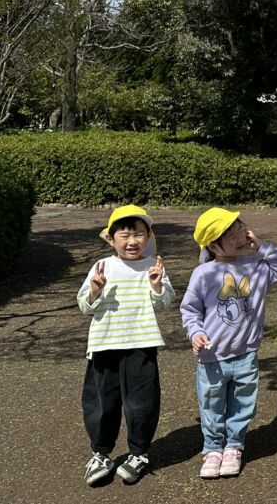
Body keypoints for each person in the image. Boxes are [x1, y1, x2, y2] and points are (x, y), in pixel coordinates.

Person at [180, 208, 277, 480]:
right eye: (229, 235)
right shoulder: (203, 274)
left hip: (246, 353)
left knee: (243, 402)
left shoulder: (255, 267)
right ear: (212, 245)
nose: (239, 236)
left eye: (240, 228)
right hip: (211, 355)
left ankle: (234, 445)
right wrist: (195, 333)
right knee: (211, 403)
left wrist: (261, 245)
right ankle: (212, 448)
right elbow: (190, 310)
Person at [78, 205, 174, 487]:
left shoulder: (153, 266)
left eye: (139, 235)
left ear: (148, 237)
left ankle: (139, 453)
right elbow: (84, 305)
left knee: (142, 403)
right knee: (101, 403)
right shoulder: (101, 266)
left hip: (141, 345)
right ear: (111, 239)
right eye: (125, 235)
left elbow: (164, 303)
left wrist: (157, 285)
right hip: (104, 345)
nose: (132, 241)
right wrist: (94, 289)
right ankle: (101, 453)